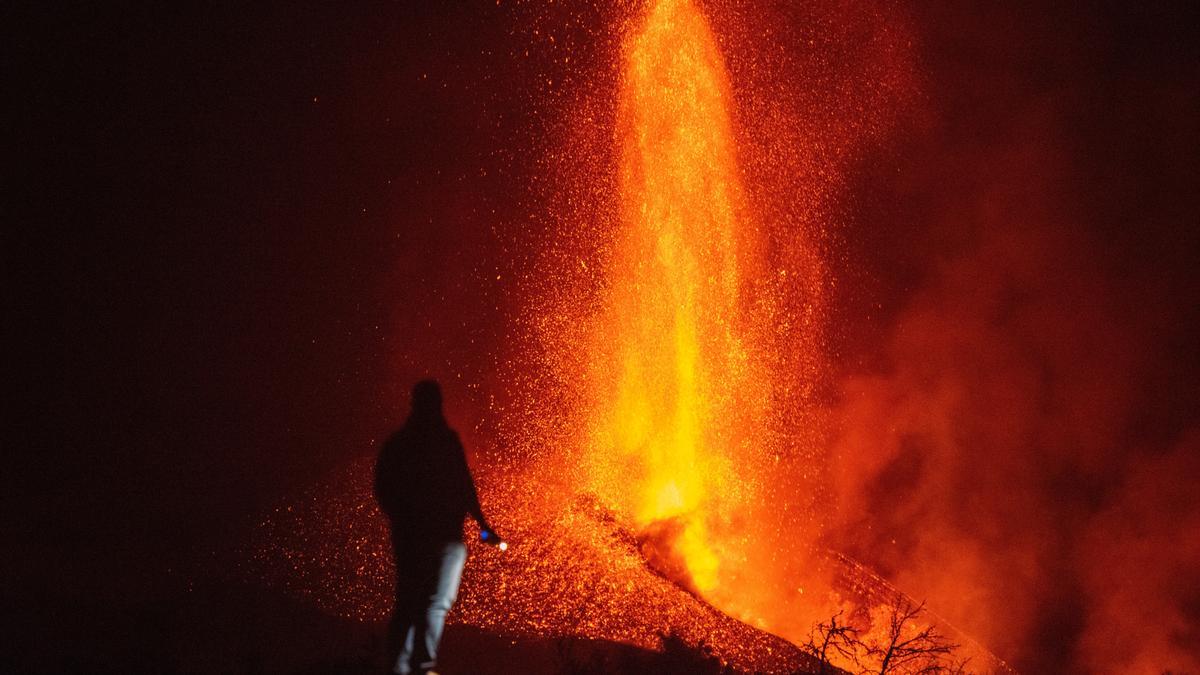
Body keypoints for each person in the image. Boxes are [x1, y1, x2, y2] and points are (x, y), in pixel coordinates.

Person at [375, 379, 499, 675]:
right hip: (425, 537)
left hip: (443, 538)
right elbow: (385, 487)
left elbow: (463, 483)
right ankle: (405, 667)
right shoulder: (405, 446)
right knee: (416, 601)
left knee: (432, 602)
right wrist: (406, 520)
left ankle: (416, 666)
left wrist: (482, 525)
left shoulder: (438, 442)